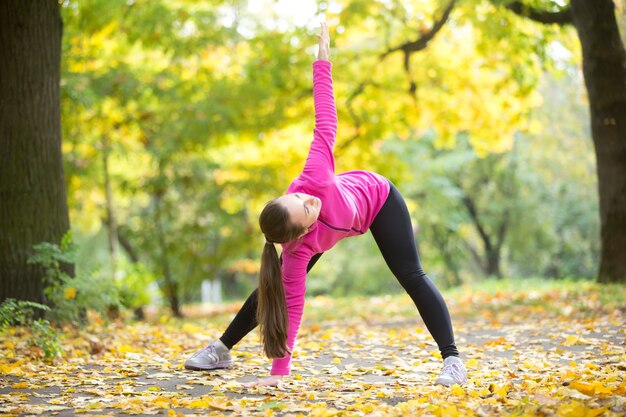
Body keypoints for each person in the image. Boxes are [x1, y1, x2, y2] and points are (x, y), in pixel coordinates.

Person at [184, 22, 468, 388]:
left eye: (299, 196)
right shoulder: (299, 249)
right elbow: (295, 309)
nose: (309, 198)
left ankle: (453, 360)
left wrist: (322, 62)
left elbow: (325, 119)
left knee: (411, 274)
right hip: (330, 229)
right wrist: (279, 374)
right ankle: (223, 348)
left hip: (377, 199)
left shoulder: (314, 177)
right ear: (303, 231)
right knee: (277, 288)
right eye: (306, 208)